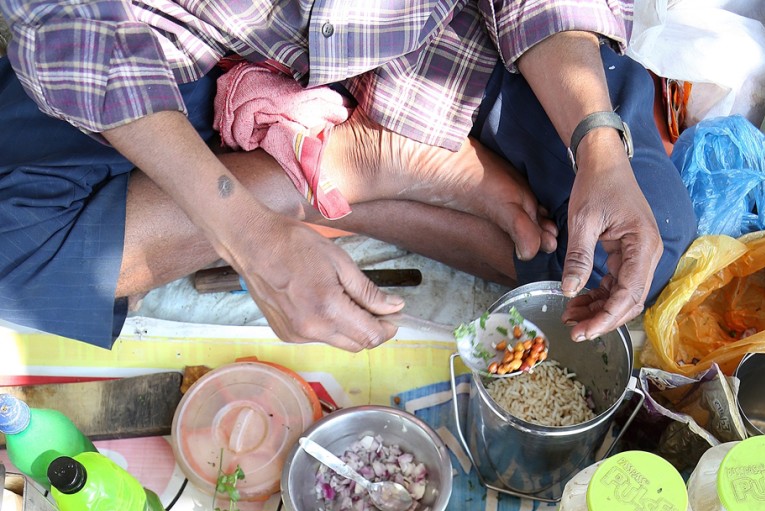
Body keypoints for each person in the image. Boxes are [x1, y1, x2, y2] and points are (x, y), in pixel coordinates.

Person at [0, 1, 696, 352]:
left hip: (432, 46)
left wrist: (596, 141)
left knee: (630, 250)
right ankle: (347, 170)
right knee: (12, 254)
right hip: (179, 54)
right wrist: (250, 238)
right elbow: (67, 30)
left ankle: (333, 166)